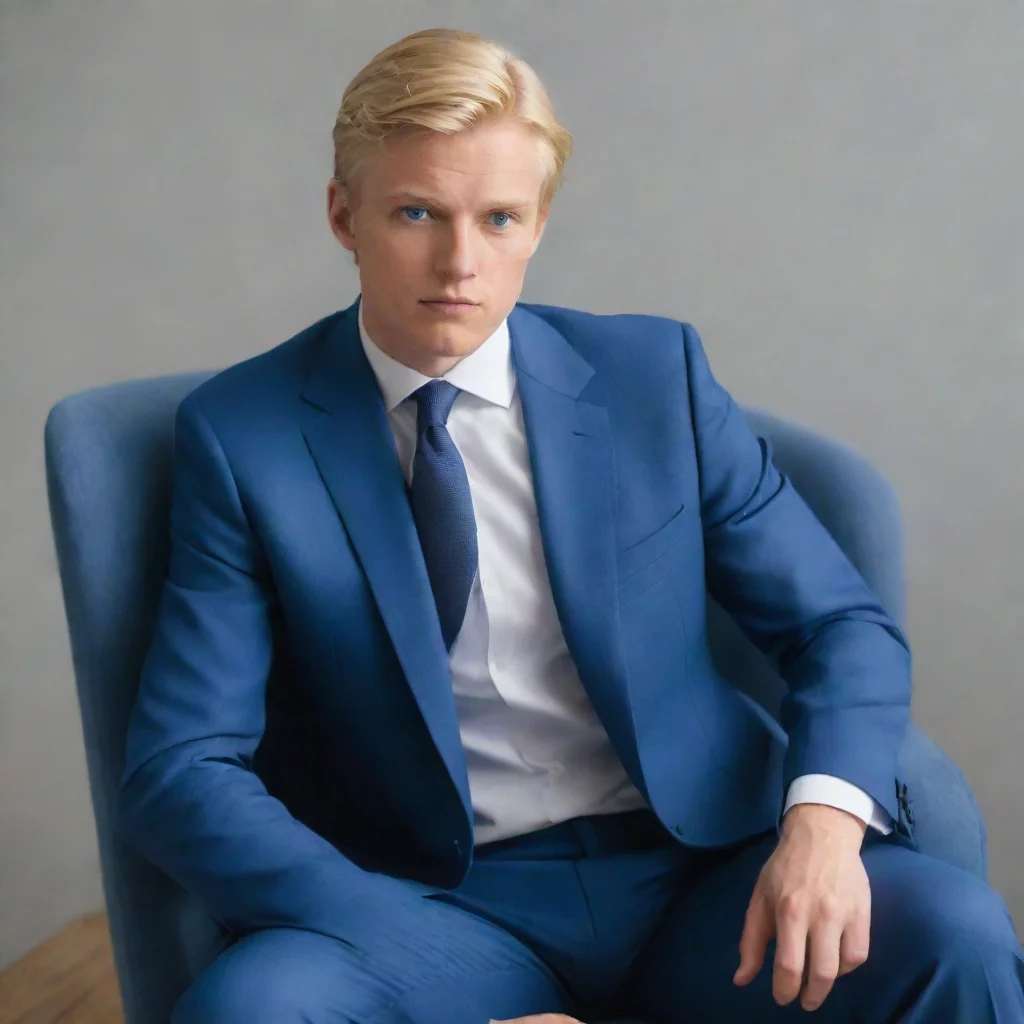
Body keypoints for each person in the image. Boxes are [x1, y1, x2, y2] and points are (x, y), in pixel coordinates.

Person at [117, 26, 1024, 1024]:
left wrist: (819, 826)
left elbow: (837, 626)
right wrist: (401, 946)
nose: (460, 261)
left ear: (538, 221)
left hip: (701, 877)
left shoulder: (653, 381)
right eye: (417, 212)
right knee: (249, 1013)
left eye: (498, 218)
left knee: (954, 933)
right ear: (343, 214)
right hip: (431, 907)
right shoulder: (244, 437)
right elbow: (182, 765)